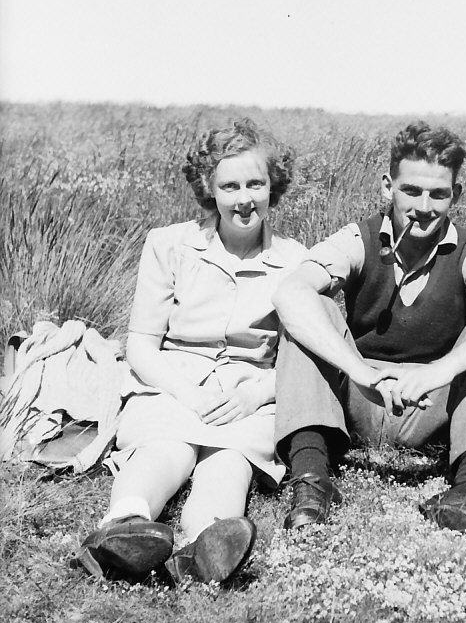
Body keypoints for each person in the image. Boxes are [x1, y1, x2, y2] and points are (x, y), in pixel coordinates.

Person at [273, 121, 466, 535]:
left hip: (433, 406)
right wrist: (361, 372)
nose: (424, 206)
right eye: (411, 191)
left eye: (439, 194)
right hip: (362, 396)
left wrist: (441, 371)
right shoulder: (357, 239)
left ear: (456, 195)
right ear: (387, 187)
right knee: (312, 308)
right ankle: (311, 482)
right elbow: (290, 293)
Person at [72, 119, 307, 583]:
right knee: (167, 449)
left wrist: (255, 396)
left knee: (229, 464)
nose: (244, 198)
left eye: (255, 183)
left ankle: (204, 548)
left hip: (247, 391)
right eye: (230, 185)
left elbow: (301, 359)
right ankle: (123, 530)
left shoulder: (296, 261)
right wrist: (189, 395)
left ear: (272, 186)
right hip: (172, 381)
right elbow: (141, 344)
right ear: (208, 189)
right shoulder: (169, 245)